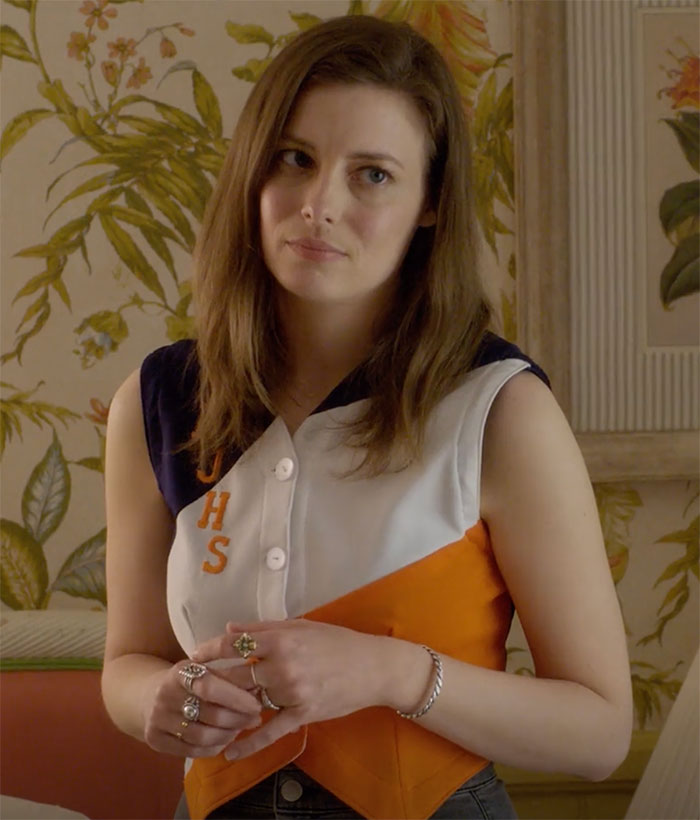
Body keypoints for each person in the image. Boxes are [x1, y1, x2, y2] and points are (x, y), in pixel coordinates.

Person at [101, 14, 633, 820]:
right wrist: (156, 698)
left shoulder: (501, 409)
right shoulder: (156, 399)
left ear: (431, 202)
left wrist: (396, 674)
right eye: (296, 159)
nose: (319, 205)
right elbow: (127, 663)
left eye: (373, 175)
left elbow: (600, 735)